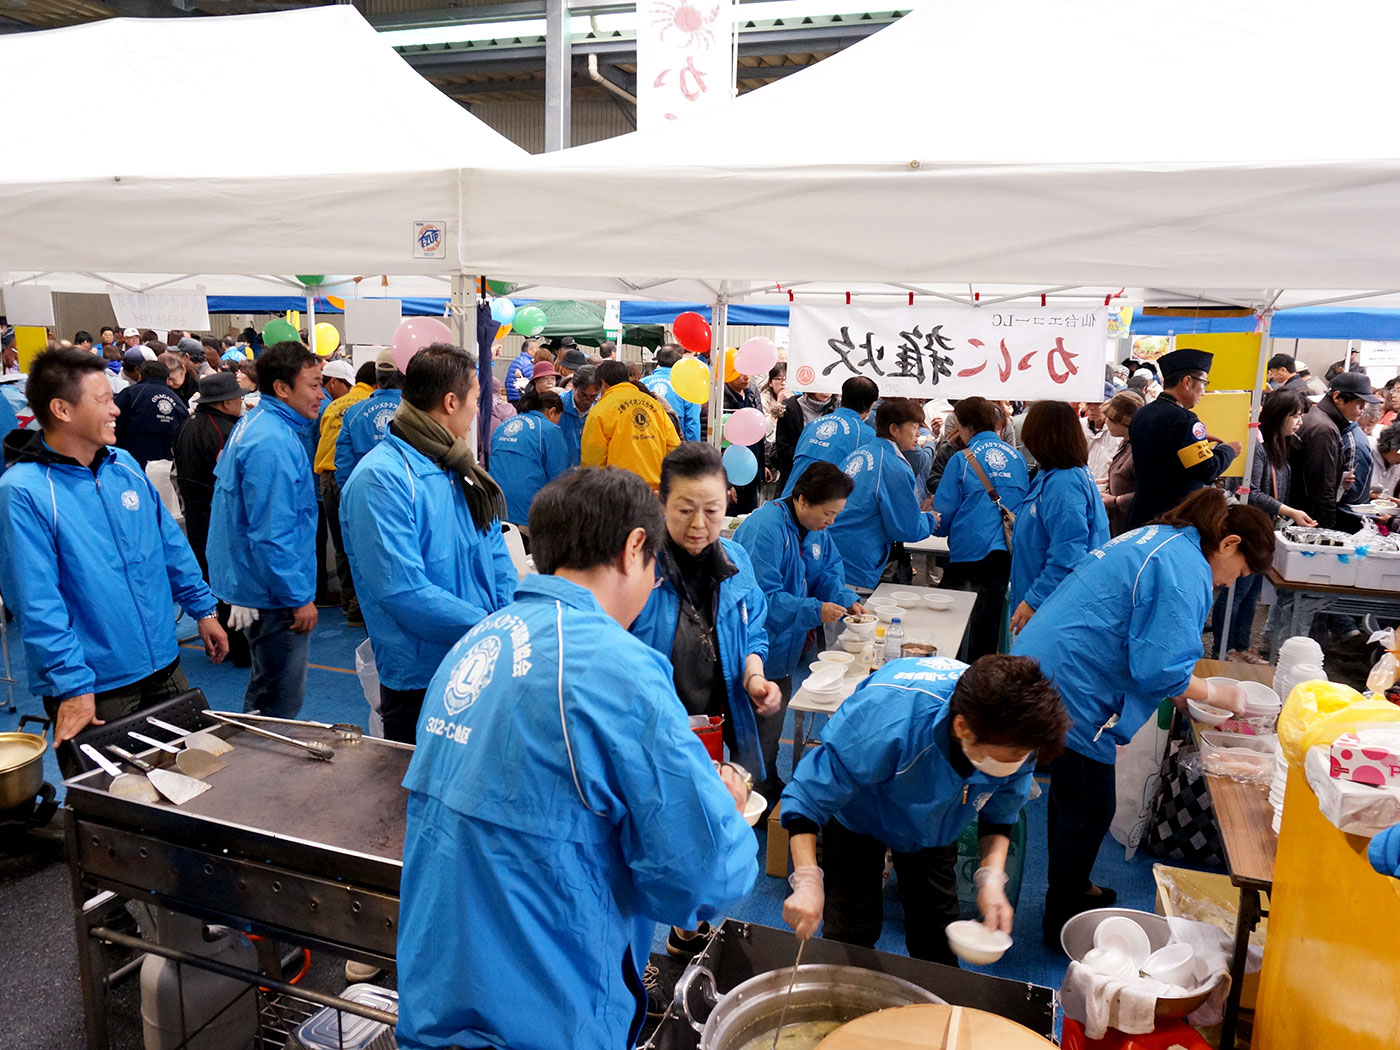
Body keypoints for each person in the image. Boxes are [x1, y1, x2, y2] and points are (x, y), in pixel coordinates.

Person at [395, 466, 756, 1050]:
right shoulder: (614, 666)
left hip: (440, 992)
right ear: (635, 546)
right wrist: (726, 805)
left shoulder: (483, 637)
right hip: (548, 1005)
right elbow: (699, 874)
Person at [1014, 489, 1275, 943]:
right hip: (1069, 684)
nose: (1231, 583)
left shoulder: (1165, 538)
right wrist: (1216, 691)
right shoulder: (1185, 569)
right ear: (1229, 543)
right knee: (1091, 808)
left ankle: (1072, 887)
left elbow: (1152, 644)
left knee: (1076, 798)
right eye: (1240, 572)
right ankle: (1061, 914)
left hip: (1049, 665)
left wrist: (1186, 694)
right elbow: (1159, 668)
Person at [0, 348, 227, 770]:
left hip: (162, 659)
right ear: (62, 409)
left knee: (195, 777)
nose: (116, 410)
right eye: (104, 399)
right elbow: (36, 602)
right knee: (120, 800)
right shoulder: (24, 491)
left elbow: (167, 545)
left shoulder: (122, 465)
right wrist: (71, 684)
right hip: (96, 683)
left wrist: (202, 608)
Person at [779, 654, 1070, 964]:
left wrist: (991, 879)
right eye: (1012, 755)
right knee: (852, 930)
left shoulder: (1018, 739)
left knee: (937, 933)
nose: (1019, 762)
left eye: (1026, 755)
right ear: (962, 728)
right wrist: (809, 878)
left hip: (934, 825)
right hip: (860, 813)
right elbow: (807, 797)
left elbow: (999, 816)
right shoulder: (886, 717)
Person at [341, 343, 517, 744]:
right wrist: (489, 627)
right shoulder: (381, 479)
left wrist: (507, 618)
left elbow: (494, 551)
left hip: (478, 656)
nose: (478, 410)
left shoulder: (458, 467)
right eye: (476, 398)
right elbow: (402, 590)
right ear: (451, 401)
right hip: (424, 673)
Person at [207, 341, 323, 720]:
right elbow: (271, 531)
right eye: (313, 385)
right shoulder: (272, 441)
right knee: (278, 701)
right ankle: (266, 772)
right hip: (273, 593)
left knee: (266, 687)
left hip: (254, 582)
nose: (320, 394)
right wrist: (298, 597)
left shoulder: (255, 424)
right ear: (281, 388)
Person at [734, 461, 862, 802]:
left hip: (786, 645)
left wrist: (847, 600)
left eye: (836, 514)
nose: (831, 522)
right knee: (754, 728)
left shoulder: (815, 528)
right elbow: (762, 599)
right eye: (828, 513)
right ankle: (750, 798)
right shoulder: (767, 528)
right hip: (757, 646)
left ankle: (768, 781)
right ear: (802, 500)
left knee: (772, 725)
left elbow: (827, 571)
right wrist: (814, 610)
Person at [1214, 389, 1316, 662]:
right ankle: (1223, 649)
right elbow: (1250, 492)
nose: (1299, 422)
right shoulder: (1257, 448)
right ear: (1277, 415)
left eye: (1300, 416)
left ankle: (1242, 646)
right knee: (1236, 590)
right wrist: (1290, 511)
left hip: (1266, 530)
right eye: (1294, 415)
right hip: (1249, 528)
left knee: (1251, 593)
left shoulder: (1279, 446)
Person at [932, 396, 1029, 660]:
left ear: (965, 426)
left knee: (951, 624)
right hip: (1006, 552)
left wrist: (935, 527)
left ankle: (954, 679)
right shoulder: (1017, 458)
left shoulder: (962, 460)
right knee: (989, 624)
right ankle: (981, 682)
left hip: (969, 554)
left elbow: (944, 512)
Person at [1008, 402, 1110, 636]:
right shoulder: (1053, 475)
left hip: (1053, 608)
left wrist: (1033, 600)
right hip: (1047, 599)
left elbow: (1068, 553)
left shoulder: (1064, 483)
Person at [826, 398, 941, 591]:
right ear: (894, 429)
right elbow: (906, 528)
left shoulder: (860, 453)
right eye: (914, 427)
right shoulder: (893, 466)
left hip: (834, 553)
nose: (918, 434)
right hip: (856, 561)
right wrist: (930, 519)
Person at [1127, 348, 1241, 528]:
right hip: (1174, 517)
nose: (1204, 391)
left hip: (1142, 511)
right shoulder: (1185, 420)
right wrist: (1228, 450)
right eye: (1204, 382)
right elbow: (1206, 470)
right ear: (1187, 381)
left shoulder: (1143, 413)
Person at [314, 360, 374, 626]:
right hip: (353, 479)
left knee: (340, 544)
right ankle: (361, 604)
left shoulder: (333, 406)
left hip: (327, 479)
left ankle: (347, 601)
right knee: (363, 542)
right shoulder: (367, 407)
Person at [1291, 371, 1382, 531]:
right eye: (1359, 403)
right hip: (1310, 516)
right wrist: (1327, 527)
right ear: (1337, 397)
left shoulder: (1318, 417)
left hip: (1302, 510)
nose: (1362, 410)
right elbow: (1322, 485)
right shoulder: (1324, 429)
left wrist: (1339, 478)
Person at [580, 360, 681, 490]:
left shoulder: (600, 411)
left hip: (618, 491)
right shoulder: (654, 406)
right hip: (654, 491)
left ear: (603, 384)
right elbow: (673, 446)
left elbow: (593, 460)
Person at [780, 375, 878, 498]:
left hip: (789, 500)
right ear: (872, 404)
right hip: (819, 506)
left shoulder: (813, 425)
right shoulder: (866, 436)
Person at [489, 386, 571, 525]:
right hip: (527, 511)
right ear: (552, 412)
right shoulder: (548, 430)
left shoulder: (504, 425)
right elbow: (559, 476)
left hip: (495, 505)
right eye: (559, 417)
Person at [336, 352, 405, 489]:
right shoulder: (414, 411)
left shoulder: (354, 413)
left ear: (377, 377)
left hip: (364, 490)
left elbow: (344, 463)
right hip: (405, 492)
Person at [113, 359, 189, 468]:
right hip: (166, 467)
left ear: (140, 376)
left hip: (131, 462)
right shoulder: (178, 402)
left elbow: (114, 423)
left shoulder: (130, 394)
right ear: (167, 379)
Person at [722, 351, 769, 513]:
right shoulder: (719, 398)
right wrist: (726, 483)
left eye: (748, 371)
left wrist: (764, 464)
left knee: (750, 514)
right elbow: (715, 444)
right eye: (740, 372)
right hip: (731, 473)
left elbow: (760, 429)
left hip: (753, 469)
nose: (746, 376)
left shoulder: (753, 392)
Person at [772, 386, 837, 494]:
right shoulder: (789, 408)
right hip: (792, 480)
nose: (827, 390)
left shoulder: (837, 410)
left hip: (825, 483)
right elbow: (783, 448)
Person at [1100, 390, 1144, 536]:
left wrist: (1116, 500)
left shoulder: (1140, 451)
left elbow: (1149, 492)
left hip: (1131, 530)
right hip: (1118, 525)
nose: (1105, 421)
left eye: (1108, 418)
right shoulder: (1126, 442)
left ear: (1120, 422)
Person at [641, 344, 702, 441]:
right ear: (680, 361)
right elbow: (692, 421)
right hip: (675, 445)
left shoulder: (642, 384)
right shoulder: (687, 385)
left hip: (645, 443)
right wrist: (693, 450)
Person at [558, 363, 599, 466]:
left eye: (593, 396)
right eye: (583, 395)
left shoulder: (601, 407)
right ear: (573, 387)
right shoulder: (558, 405)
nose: (587, 400)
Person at [1081, 399, 1120, 482]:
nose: (1092, 408)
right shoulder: (1080, 425)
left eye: (1098, 404)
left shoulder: (1117, 429)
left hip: (1107, 484)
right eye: (1089, 403)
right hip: (1084, 482)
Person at [504, 337, 538, 402]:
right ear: (529, 350)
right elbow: (531, 381)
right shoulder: (527, 363)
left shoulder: (518, 360)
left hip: (512, 395)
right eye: (536, 348)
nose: (538, 350)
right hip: (519, 397)